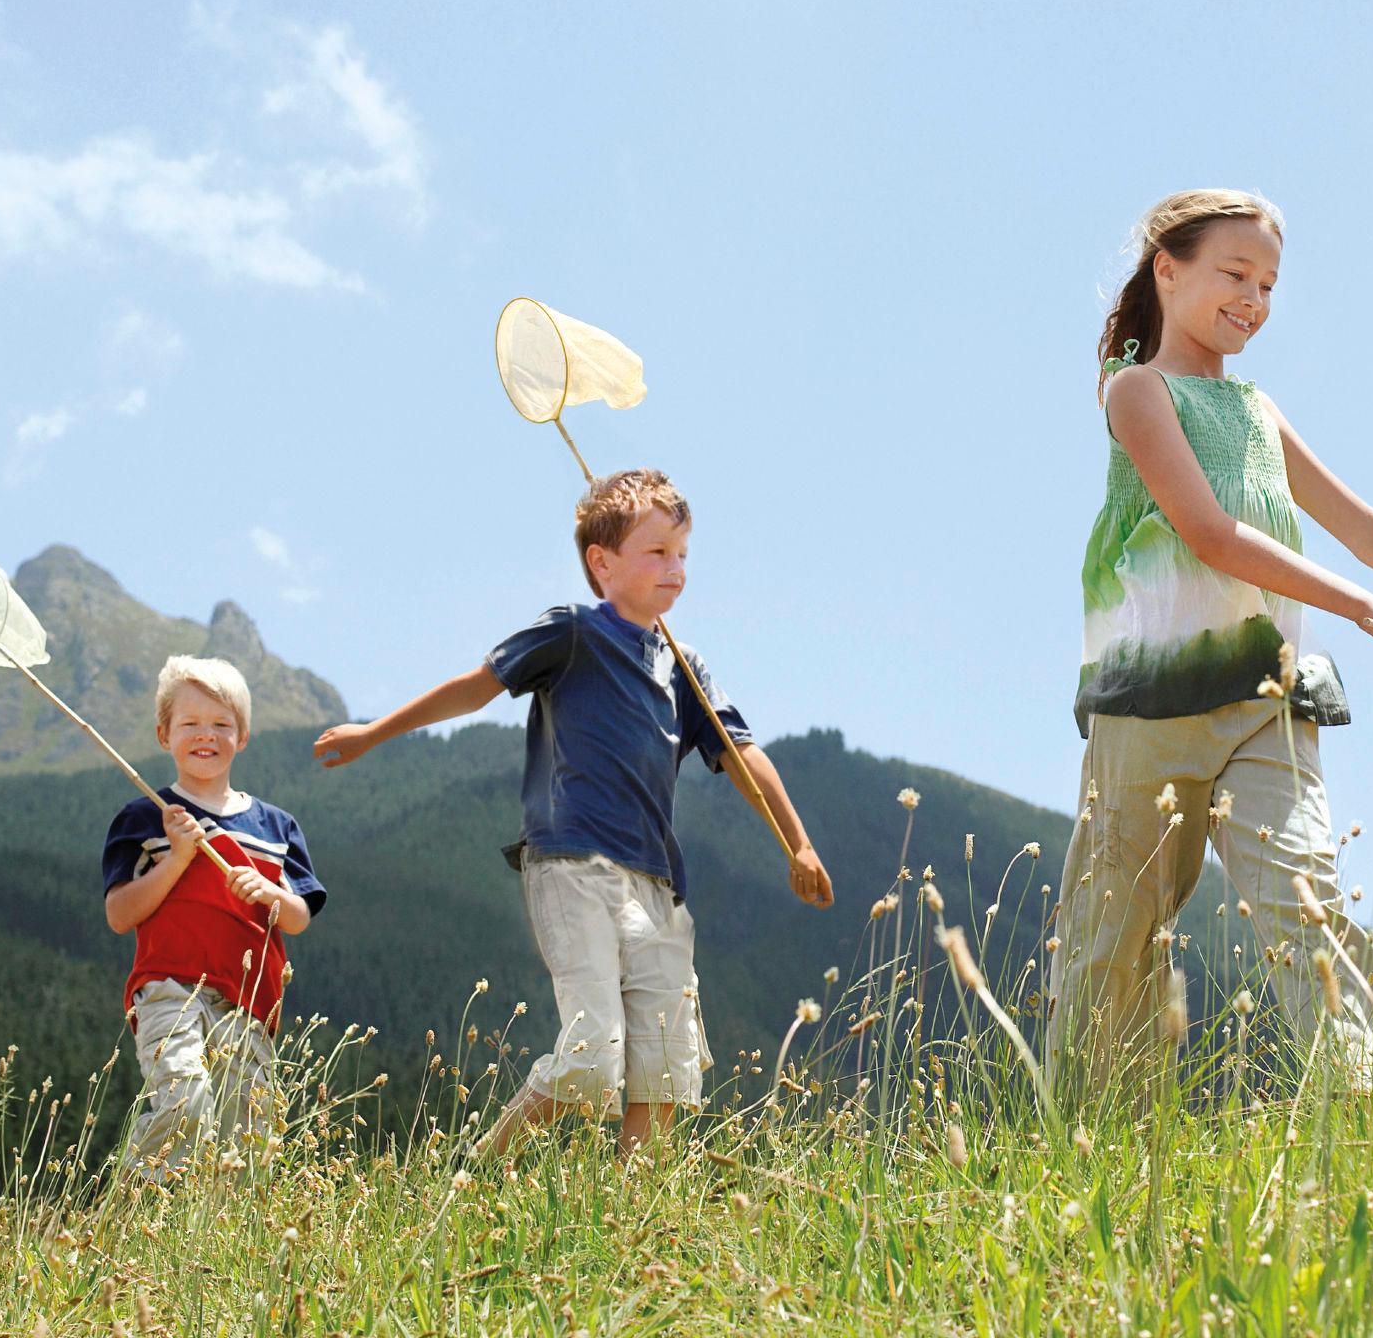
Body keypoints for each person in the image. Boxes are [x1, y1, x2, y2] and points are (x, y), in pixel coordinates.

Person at [1049, 189, 1373, 1094]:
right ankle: (1092, 1151)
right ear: (1169, 268)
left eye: (1269, 283)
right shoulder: (1136, 392)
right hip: (1146, 708)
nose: (1255, 299)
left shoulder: (1257, 412)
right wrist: (1364, 610)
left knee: (1304, 897)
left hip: (1266, 703)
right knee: (1112, 948)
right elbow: (1211, 533)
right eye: (1235, 274)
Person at [313, 468, 833, 1157]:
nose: (675, 569)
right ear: (602, 563)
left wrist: (796, 842)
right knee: (592, 1062)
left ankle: (629, 1236)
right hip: (572, 863)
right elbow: (475, 687)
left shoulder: (687, 667)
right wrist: (373, 733)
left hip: (656, 884)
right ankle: (483, 1166)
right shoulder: (574, 634)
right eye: (656, 553)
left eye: (682, 554)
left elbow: (740, 753)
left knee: (665, 1078)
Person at [103, 656, 324, 1176]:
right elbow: (119, 913)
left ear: (243, 736)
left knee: (248, 1135)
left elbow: (297, 918)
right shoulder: (144, 817)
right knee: (186, 1099)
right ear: (165, 734)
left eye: (222, 724)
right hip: (168, 987)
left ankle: (223, 1244)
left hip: (249, 1001)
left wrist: (270, 893)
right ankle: (126, 1214)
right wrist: (177, 858)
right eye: (191, 724)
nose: (207, 735)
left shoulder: (276, 826)